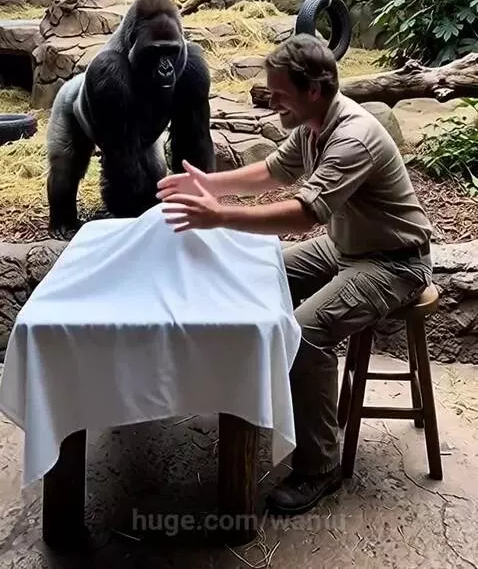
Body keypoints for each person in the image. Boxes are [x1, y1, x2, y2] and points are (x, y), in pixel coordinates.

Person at [157, 33, 433, 516]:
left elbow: (305, 213)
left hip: (394, 262)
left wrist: (217, 215)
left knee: (304, 332)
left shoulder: (353, 136)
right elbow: (273, 172)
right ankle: (263, 396)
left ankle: (319, 466)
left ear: (313, 89)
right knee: (259, 273)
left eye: (279, 92)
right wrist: (208, 184)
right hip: (349, 245)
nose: (270, 100)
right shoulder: (312, 125)